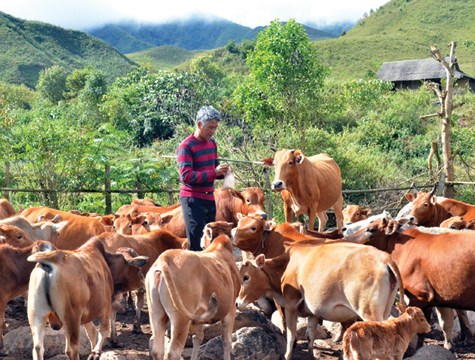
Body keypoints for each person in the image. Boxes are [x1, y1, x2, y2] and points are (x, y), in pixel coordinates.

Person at [176, 105, 230, 251]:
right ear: (199, 124)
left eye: (215, 128)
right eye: (210, 128)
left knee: (209, 241)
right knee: (196, 244)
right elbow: (186, 176)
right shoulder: (186, 146)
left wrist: (223, 173)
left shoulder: (212, 144)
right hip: (192, 200)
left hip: (209, 199)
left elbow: (214, 170)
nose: (212, 131)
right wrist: (214, 172)